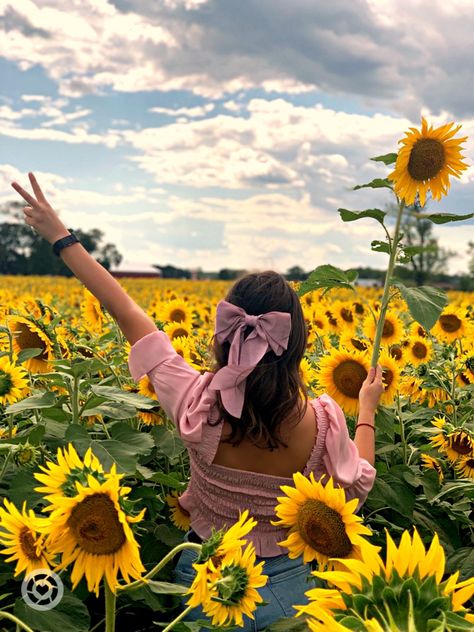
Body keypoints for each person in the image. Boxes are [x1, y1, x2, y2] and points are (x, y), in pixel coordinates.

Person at [11, 173, 385, 631]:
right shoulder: (324, 421)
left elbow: (124, 310)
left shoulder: (195, 403)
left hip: (207, 582)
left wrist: (60, 237)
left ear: (223, 335)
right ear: (297, 343)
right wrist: (366, 409)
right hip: (292, 592)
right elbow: (357, 485)